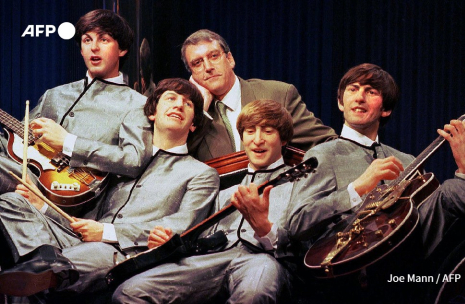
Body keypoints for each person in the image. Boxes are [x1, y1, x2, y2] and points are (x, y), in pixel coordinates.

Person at [0, 78, 220, 300]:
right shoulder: (120, 164)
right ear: (152, 113)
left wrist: (106, 232)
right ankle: (41, 263)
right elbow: (84, 223)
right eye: (171, 98)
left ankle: (40, 273)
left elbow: (178, 228)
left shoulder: (201, 174)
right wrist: (44, 208)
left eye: (188, 104)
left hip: (123, 253)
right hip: (76, 240)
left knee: (82, 257)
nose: (179, 105)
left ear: (193, 124)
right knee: (12, 202)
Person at [276, 63, 465, 302]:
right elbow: (297, 223)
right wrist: (358, 188)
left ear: (386, 109)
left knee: (452, 188)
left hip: (411, 256)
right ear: (341, 102)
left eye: (371, 92)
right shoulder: (322, 154)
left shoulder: (407, 160)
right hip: (355, 262)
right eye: (353, 89)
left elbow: (442, 213)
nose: (360, 97)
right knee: (451, 190)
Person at [112, 99, 300, 304]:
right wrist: (168, 243)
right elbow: (200, 239)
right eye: (250, 131)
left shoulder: (299, 185)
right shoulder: (224, 193)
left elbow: (301, 249)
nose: (257, 140)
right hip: (212, 261)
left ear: (283, 139)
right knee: (130, 292)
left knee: (253, 294)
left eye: (268, 131)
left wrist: (265, 229)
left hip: (263, 261)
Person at [0, 9, 150, 201]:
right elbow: (16, 147)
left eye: (104, 40)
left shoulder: (137, 104)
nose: (94, 47)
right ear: (81, 49)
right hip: (30, 179)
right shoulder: (54, 95)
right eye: (87, 40)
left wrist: (68, 142)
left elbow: (133, 160)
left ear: (122, 49)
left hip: (83, 198)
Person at [181, 29, 337, 161]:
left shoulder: (278, 94)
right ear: (192, 76)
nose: (208, 67)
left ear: (230, 59)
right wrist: (201, 110)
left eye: (214, 56)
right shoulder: (193, 115)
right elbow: (180, 160)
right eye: (197, 63)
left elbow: (327, 143)